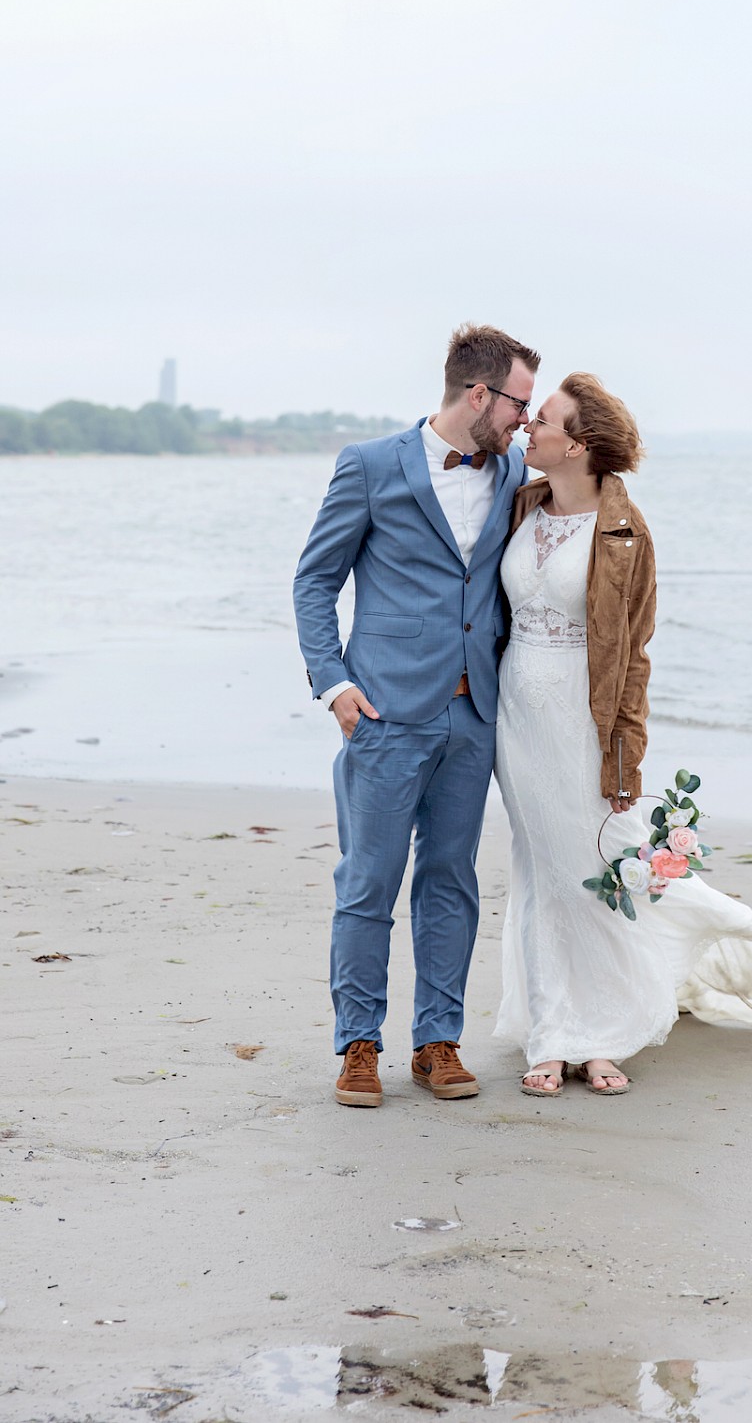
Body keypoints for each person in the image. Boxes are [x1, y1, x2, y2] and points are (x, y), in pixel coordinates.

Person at [493, 374, 752, 1096]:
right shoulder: (519, 504)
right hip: (514, 721)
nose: (528, 427)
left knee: (594, 875)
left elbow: (635, 653)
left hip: (583, 726)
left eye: (543, 419)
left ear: (577, 445)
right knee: (539, 876)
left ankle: (605, 1032)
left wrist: (627, 757)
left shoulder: (626, 532)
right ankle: (551, 1030)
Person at [294, 323, 540, 1107]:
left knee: (450, 882)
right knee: (368, 883)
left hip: (474, 717)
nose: (524, 421)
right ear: (479, 394)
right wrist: (334, 686)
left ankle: (438, 1042)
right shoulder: (368, 467)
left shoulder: (513, 473)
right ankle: (357, 1046)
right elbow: (313, 581)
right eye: (518, 403)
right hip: (384, 714)